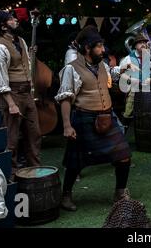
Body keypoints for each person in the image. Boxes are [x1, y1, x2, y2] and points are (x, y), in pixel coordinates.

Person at [55, 26, 131, 211]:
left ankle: (120, 192)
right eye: (99, 47)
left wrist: (122, 70)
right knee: (76, 162)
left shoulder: (102, 65)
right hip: (84, 118)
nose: (103, 50)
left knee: (124, 155)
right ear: (88, 48)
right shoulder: (71, 69)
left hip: (107, 117)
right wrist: (66, 125)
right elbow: (65, 97)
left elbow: (109, 77)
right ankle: (66, 195)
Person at [0, 10, 41, 176]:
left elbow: (25, 65)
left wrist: (29, 55)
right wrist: (11, 103)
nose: (16, 20)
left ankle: (35, 172)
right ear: (3, 26)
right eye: (11, 19)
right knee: (12, 138)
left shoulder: (21, 41)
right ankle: (11, 175)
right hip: (12, 93)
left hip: (27, 93)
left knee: (34, 134)